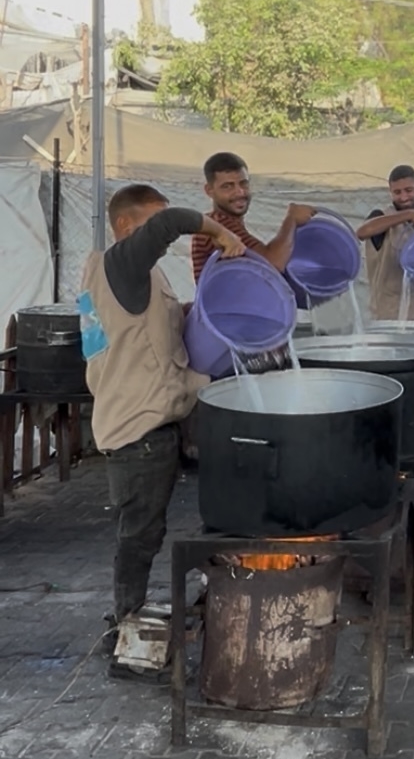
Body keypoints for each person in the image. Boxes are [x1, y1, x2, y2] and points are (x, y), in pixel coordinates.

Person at [78, 184, 245, 668]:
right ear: (126, 226)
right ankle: (125, 622)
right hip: (137, 430)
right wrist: (221, 234)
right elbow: (173, 223)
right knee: (140, 533)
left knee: (144, 530)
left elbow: (149, 335)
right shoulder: (121, 263)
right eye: (150, 222)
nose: (162, 233)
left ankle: (129, 614)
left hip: (151, 419)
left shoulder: (140, 275)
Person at [190, 152, 316, 283]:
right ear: (209, 190)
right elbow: (273, 264)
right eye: (227, 186)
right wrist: (291, 219)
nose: (240, 192)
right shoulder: (218, 224)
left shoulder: (224, 223)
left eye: (243, 183)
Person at [356, 163, 414, 320]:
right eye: (397, 192)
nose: (403, 197)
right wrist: (408, 214)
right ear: (390, 192)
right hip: (389, 317)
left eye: (409, 190)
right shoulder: (380, 216)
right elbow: (362, 232)